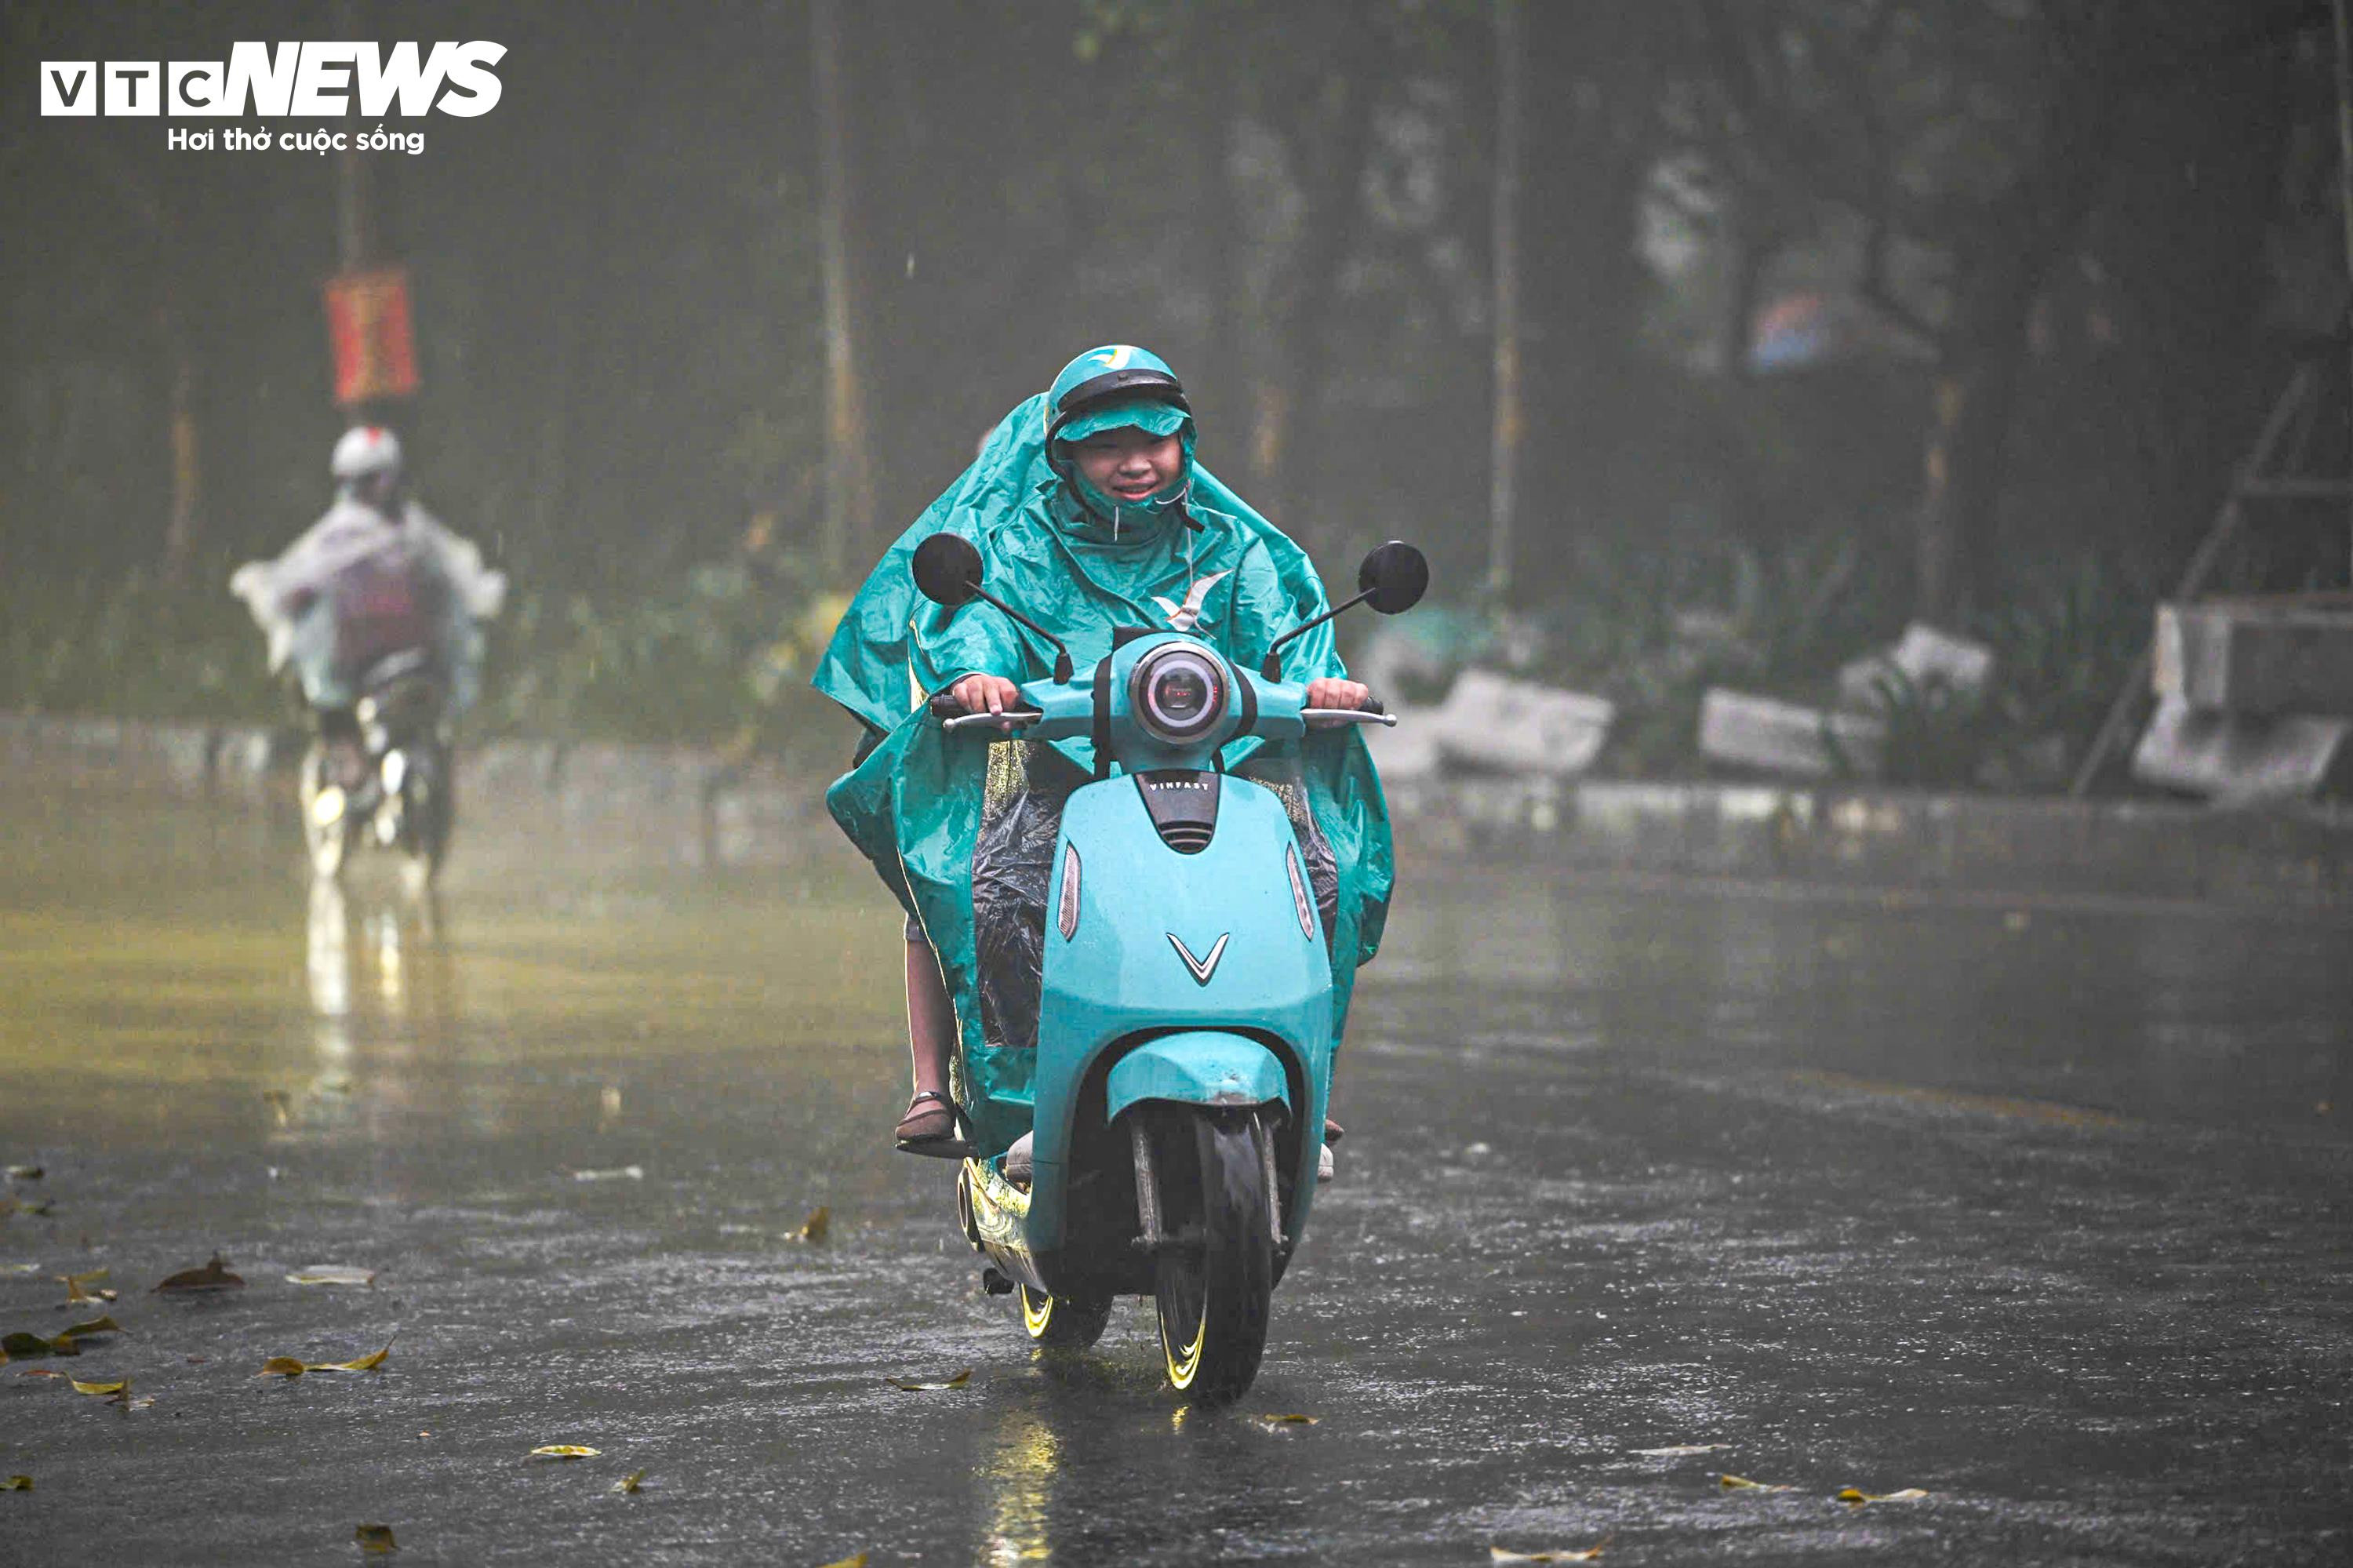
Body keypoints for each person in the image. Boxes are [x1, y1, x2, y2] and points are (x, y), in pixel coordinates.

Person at [813, 346, 1387, 1158]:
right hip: (1056, 773)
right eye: (1107, 446)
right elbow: (976, 627)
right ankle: (1012, 1104)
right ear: (1065, 456)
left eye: (1152, 442)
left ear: (1184, 444)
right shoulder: (1015, 548)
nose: (1135, 464)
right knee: (998, 886)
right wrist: (979, 677)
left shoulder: (1235, 549)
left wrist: (1326, 686)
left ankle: (1299, 1070)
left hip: (1217, 775)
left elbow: (1296, 643)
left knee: (1323, 872)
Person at [231, 427, 505, 785]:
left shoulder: (339, 535)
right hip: (420, 662)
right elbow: (469, 584)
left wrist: (262, 590)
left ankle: (351, 763)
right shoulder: (417, 530)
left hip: (361, 666)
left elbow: (286, 589)